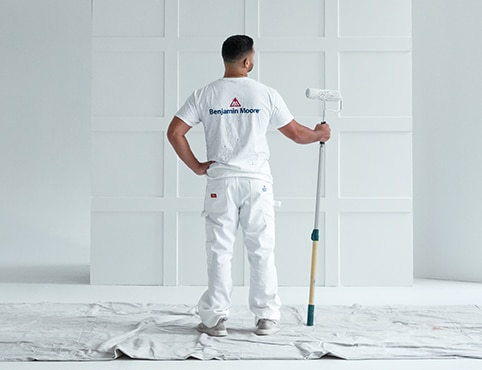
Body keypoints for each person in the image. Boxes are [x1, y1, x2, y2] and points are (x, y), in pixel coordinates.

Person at [167, 35, 331, 337]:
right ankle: (266, 317)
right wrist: (320, 134)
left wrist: (197, 166)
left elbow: (175, 132)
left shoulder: (205, 94)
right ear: (247, 61)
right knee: (262, 250)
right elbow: (296, 133)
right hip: (258, 184)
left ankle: (215, 319)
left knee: (219, 251)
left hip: (221, 183)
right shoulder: (265, 94)